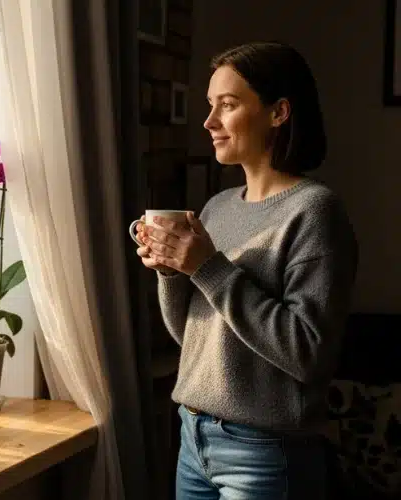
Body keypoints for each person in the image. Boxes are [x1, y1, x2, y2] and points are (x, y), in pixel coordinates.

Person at [135, 41, 358, 499]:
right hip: (193, 439)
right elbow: (195, 340)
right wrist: (173, 270)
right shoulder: (217, 208)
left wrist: (207, 267)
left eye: (228, 105)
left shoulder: (313, 212)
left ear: (278, 113)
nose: (209, 122)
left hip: (264, 452)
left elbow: (307, 353)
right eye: (210, 105)